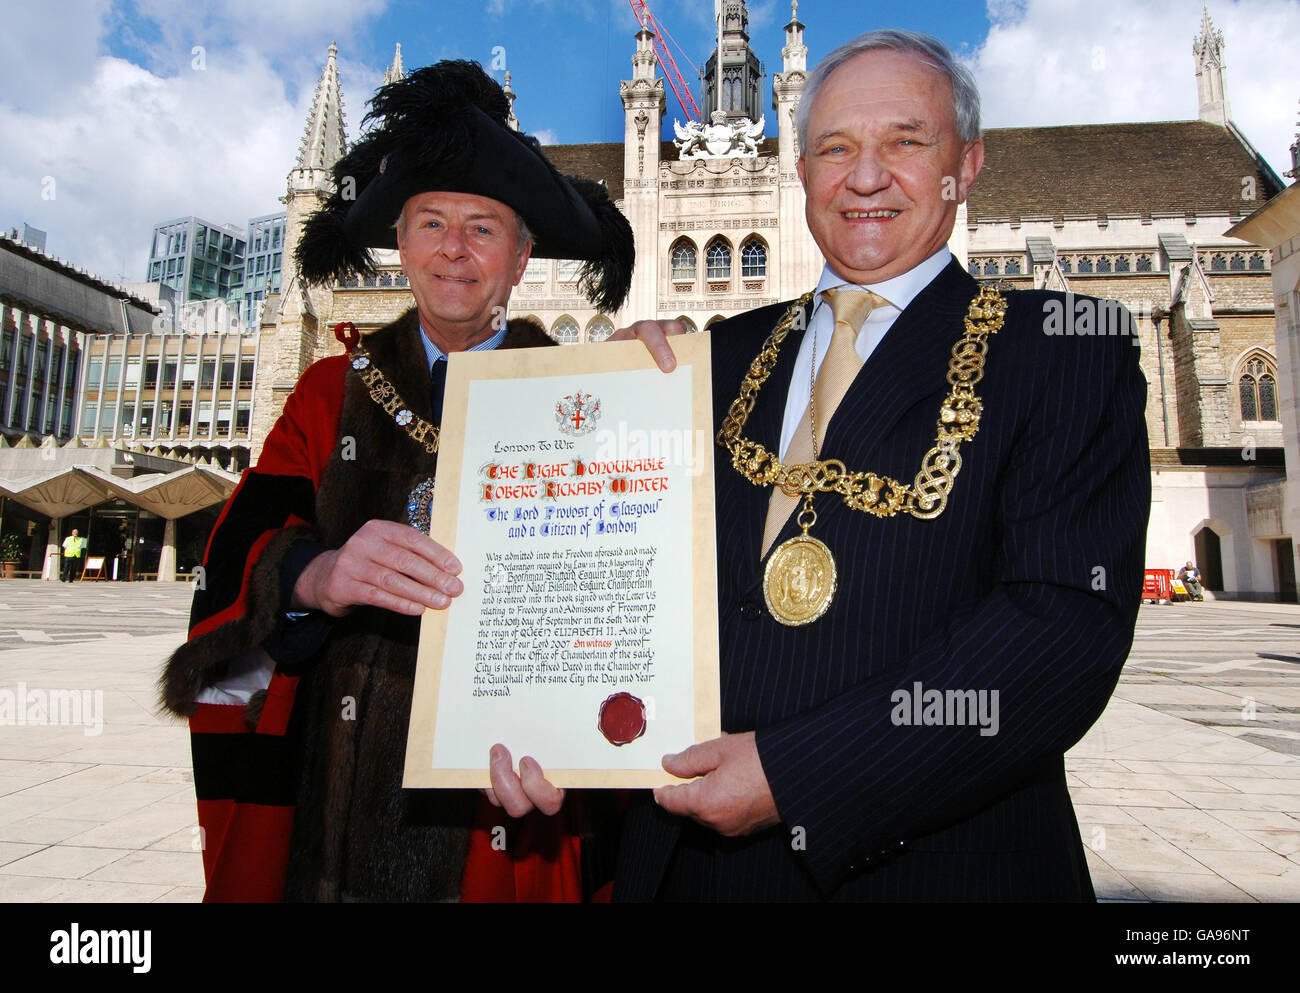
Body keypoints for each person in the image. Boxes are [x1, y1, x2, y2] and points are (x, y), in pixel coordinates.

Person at [524, 29, 1150, 901]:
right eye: (834, 147)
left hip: (933, 871)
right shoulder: (704, 359)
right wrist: (546, 724)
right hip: (684, 873)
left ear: (965, 166)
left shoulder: (1063, 353)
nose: (865, 176)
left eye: (905, 141)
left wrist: (796, 774)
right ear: (801, 166)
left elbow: (1059, 638)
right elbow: (608, 573)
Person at [160, 61, 635, 902]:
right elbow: (228, 572)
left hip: (507, 814)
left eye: (484, 228)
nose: (455, 250)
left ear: (523, 258)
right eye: (431, 223)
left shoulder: (580, 401)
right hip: (328, 805)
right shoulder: (324, 394)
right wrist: (312, 575)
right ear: (401, 245)